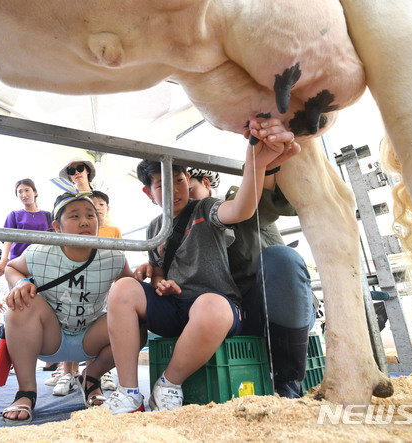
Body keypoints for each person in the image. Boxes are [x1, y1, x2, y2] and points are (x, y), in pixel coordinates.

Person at [101, 117, 300, 414]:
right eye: (162, 185)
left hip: (215, 308)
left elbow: (241, 208)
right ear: (148, 192)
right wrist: (159, 284)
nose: (175, 190)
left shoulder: (205, 209)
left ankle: (168, 384)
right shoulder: (155, 227)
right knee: (122, 289)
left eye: (179, 180)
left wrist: (255, 163)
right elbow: (157, 272)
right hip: (175, 307)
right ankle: (128, 393)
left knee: (212, 307)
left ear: (188, 178)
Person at [1, 181, 133, 423]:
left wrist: (148, 276)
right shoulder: (39, 251)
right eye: (74, 216)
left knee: (136, 320)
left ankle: (91, 379)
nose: (84, 221)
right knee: (20, 303)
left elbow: (131, 291)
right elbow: (11, 267)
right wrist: (20, 283)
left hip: (93, 337)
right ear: (56, 227)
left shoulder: (114, 255)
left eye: (90, 215)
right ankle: (26, 392)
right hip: (50, 337)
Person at [187, 167, 315, 398]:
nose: (185, 200)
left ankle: (286, 382)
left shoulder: (236, 206)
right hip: (233, 317)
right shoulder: (181, 231)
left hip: (280, 306)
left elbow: (271, 199)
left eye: (189, 190)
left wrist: (261, 162)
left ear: (206, 184)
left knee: (282, 257)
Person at [51, 156, 96, 393]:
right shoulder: (64, 198)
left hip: (97, 258)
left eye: (80, 168)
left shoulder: (99, 197)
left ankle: (94, 375)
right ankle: (68, 373)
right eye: (71, 170)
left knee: (95, 311)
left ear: (88, 171)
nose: (76, 172)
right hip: (70, 260)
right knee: (67, 311)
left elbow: (106, 224)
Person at [0, 179, 52, 275]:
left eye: (27, 190)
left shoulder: (48, 215)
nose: (24, 195)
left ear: (35, 192)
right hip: (18, 264)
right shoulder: (14, 215)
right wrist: (4, 260)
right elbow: (7, 239)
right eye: (20, 192)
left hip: (42, 262)